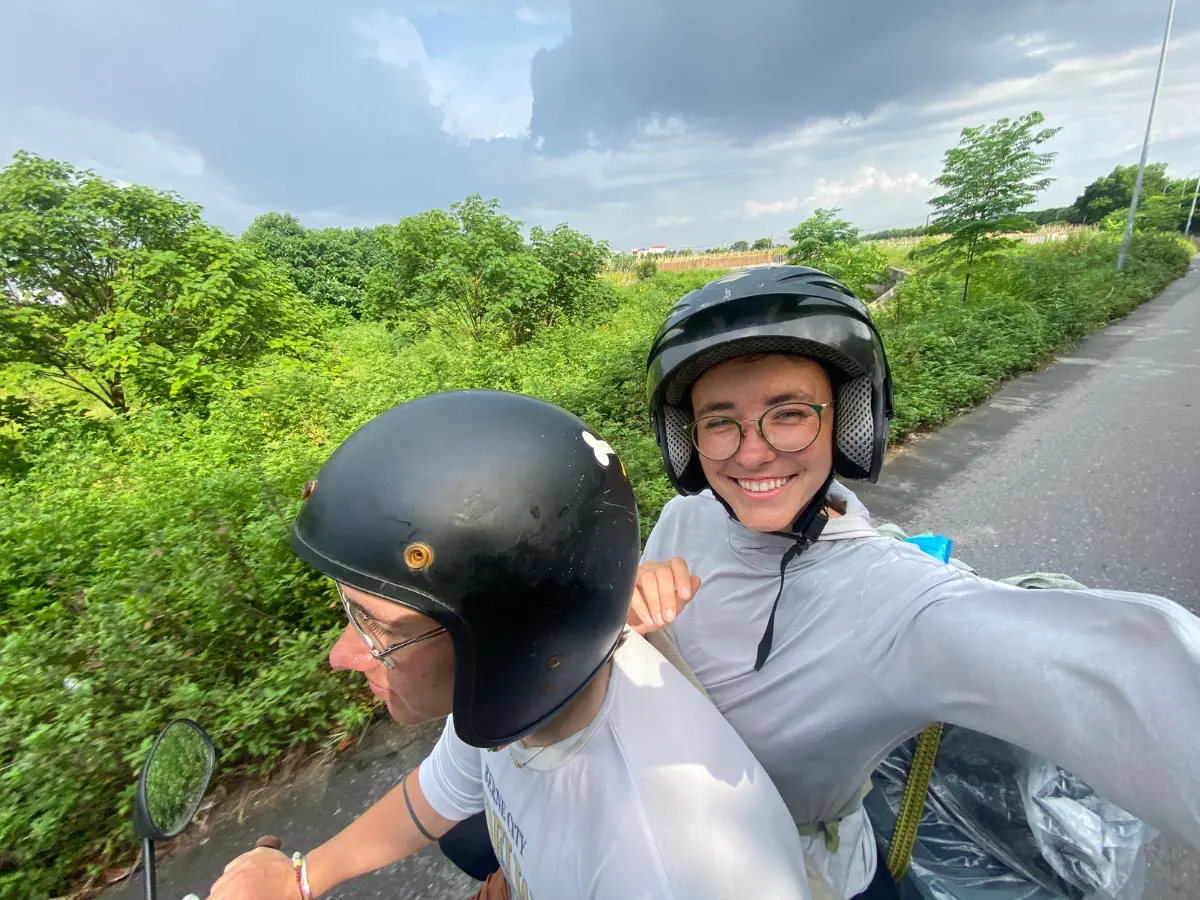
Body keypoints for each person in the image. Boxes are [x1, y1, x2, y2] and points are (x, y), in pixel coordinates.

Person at [626, 265, 1200, 899]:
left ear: (848, 421)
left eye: (788, 414)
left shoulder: (896, 601)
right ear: (689, 439)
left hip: (807, 874)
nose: (752, 452)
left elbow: (1134, 673)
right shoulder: (685, 518)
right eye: (718, 421)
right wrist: (631, 600)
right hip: (662, 844)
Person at [207, 389, 822, 900]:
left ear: (510, 641)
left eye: (381, 628)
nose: (342, 655)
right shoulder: (521, 698)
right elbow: (439, 792)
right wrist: (302, 879)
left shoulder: (664, 867)